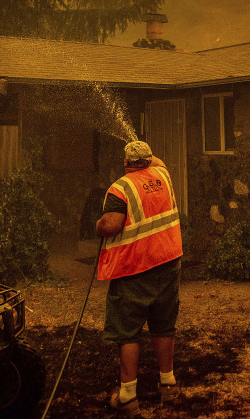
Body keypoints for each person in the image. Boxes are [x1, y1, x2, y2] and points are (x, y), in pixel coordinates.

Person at [96, 140, 183, 416]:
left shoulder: (120, 188)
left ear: (126, 163)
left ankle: (127, 396)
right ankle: (168, 384)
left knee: (127, 330)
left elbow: (111, 224)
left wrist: (97, 225)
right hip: (168, 262)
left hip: (135, 268)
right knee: (163, 324)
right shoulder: (163, 175)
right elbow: (158, 162)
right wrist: (147, 155)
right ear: (147, 160)